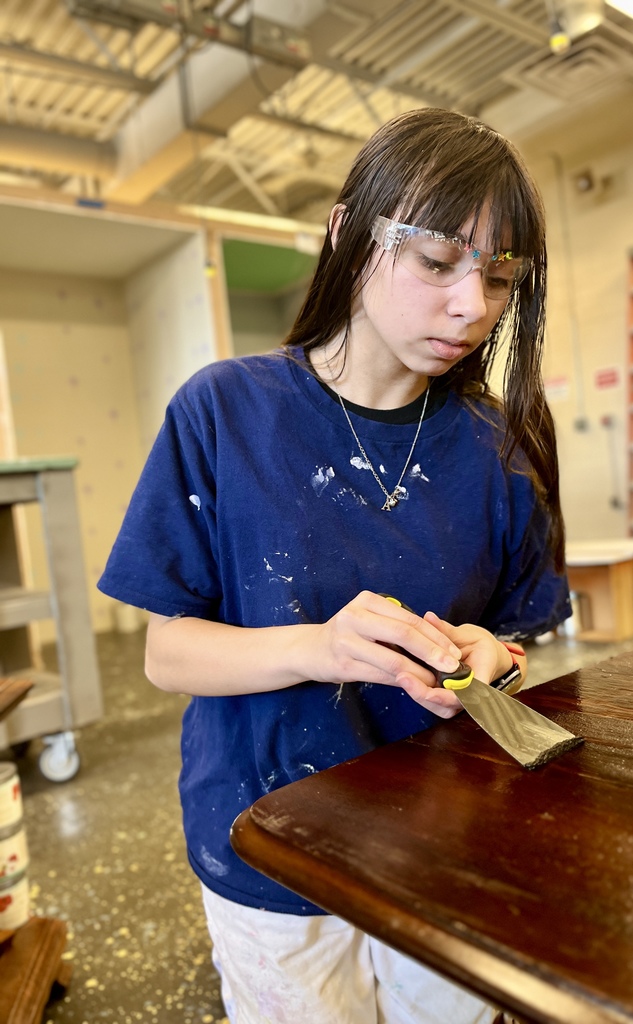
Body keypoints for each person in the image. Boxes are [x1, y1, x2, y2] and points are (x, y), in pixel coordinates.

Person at [98, 106, 570, 1024]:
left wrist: (492, 657)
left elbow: (516, 644)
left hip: (453, 841)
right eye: (437, 262)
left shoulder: (499, 446)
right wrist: (322, 646)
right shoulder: (225, 414)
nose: (472, 306)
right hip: (272, 842)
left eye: (501, 276)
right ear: (349, 235)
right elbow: (168, 654)